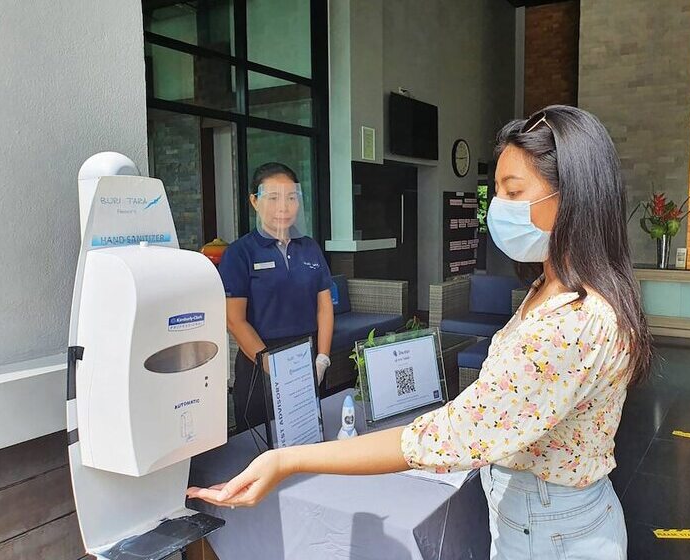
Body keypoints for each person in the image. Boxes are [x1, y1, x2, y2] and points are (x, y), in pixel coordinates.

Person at [189, 107, 652, 559]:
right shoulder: (550, 286)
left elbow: (453, 435)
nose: (497, 210)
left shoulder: (572, 321)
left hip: (552, 531)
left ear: (572, 197)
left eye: (514, 193)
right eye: (498, 194)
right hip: (537, 516)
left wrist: (289, 460)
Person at [218, 162, 334, 433]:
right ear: (254, 201)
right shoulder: (240, 253)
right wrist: (275, 368)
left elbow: (324, 307)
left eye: (291, 198)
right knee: (258, 449)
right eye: (273, 198)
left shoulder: (310, 248)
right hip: (260, 366)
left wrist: (323, 359)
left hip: (307, 361)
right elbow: (234, 321)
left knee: (307, 438)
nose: (284, 206)